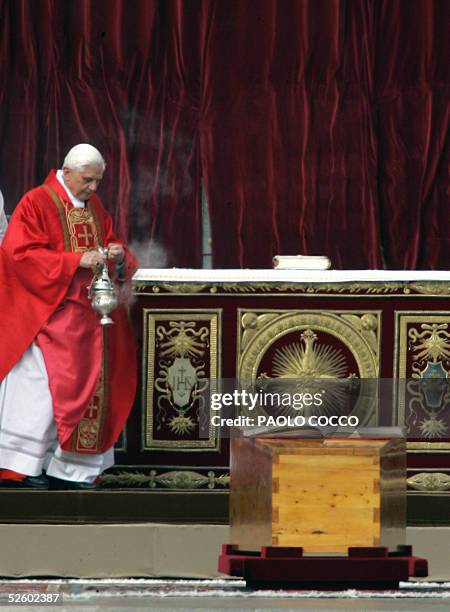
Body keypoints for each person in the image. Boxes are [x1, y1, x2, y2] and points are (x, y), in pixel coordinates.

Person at [0, 144, 137, 489]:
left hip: (89, 317)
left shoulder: (95, 207)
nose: (93, 188)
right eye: (88, 181)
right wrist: (75, 261)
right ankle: (24, 466)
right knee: (41, 392)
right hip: (48, 313)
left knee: (93, 389)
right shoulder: (37, 202)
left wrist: (118, 256)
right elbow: (19, 256)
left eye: (98, 182)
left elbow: (110, 242)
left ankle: (73, 470)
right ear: (68, 171)